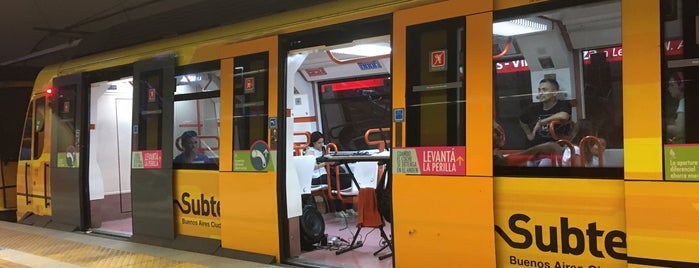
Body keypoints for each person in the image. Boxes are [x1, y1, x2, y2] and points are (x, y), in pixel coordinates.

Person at [305, 131, 355, 218]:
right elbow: (311, 167)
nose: (321, 144)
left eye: (322, 142)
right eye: (319, 143)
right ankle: (338, 209)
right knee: (334, 183)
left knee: (347, 179)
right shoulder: (309, 152)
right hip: (315, 177)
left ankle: (349, 207)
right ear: (313, 143)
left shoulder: (325, 149)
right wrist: (325, 163)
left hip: (326, 173)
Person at [519, 78, 572, 146]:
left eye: (544, 90)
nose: (541, 93)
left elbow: (564, 116)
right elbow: (522, 120)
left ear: (554, 92)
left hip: (558, 147)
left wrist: (541, 122)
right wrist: (529, 135)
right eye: (539, 90)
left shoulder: (563, 105)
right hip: (538, 148)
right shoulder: (534, 109)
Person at [666, 71, 685, 143]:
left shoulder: (683, 102)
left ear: (681, 86)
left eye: (672, 85)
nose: (669, 88)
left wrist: (662, 127)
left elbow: (678, 129)